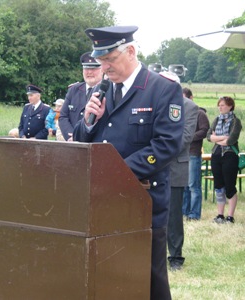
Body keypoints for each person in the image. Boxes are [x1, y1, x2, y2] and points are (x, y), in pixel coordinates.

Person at [73, 26, 184, 300]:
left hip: (144, 200)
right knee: (112, 275)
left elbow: (166, 145)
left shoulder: (162, 89)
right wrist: (88, 122)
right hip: (105, 201)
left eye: (109, 59)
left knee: (150, 279)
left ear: (131, 51)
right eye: (101, 62)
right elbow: (82, 139)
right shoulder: (104, 90)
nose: (104, 67)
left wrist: (116, 173)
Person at [167, 86, 198, 272]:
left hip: (175, 166)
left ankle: (175, 257)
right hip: (150, 166)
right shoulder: (151, 100)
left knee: (173, 216)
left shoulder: (189, 106)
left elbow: (186, 137)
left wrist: (159, 150)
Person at [207, 96, 242, 224]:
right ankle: (220, 215)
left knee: (229, 186)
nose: (220, 107)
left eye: (222, 105)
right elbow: (208, 136)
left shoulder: (235, 122)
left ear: (230, 106)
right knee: (218, 185)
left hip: (230, 155)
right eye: (219, 105)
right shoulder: (216, 120)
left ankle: (230, 216)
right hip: (216, 155)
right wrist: (222, 138)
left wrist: (217, 138)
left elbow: (231, 140)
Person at [59, 52, 103, 141]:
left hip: (95, 144)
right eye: (86, 68)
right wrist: (72, 137)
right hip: (73, 144)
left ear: (102, 69)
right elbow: (63, 116)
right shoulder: (73, 90)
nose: (89, 72)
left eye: (94, 68)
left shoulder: (108, 91)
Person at [182, 88, 210, 220]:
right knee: (185, 185)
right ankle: (185, 211)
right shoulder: (181, 113)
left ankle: (194, 214)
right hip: (183, 153)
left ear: (191, 98)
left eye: (185, 98)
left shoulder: (200, 113)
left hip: (193, 153)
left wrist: (189, 137)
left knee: (193, 185)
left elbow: (204, 131)